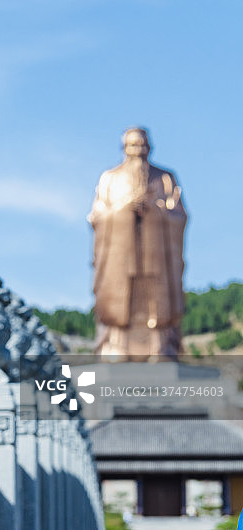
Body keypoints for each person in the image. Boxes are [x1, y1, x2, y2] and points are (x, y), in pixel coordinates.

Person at [88, 128, 187, 360]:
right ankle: (117, 347)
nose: (138, 151)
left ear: (149, 147)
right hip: (121, 255)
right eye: (133, 145)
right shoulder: (109, 178)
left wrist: (154, 210)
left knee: (158, 296)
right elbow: (97, 216)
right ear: (124, 148)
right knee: (121, 295)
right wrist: (124, 208)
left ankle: (160, 348)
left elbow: (179, 215)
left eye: (142, 145)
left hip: (157, 254)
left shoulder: (165, 178)